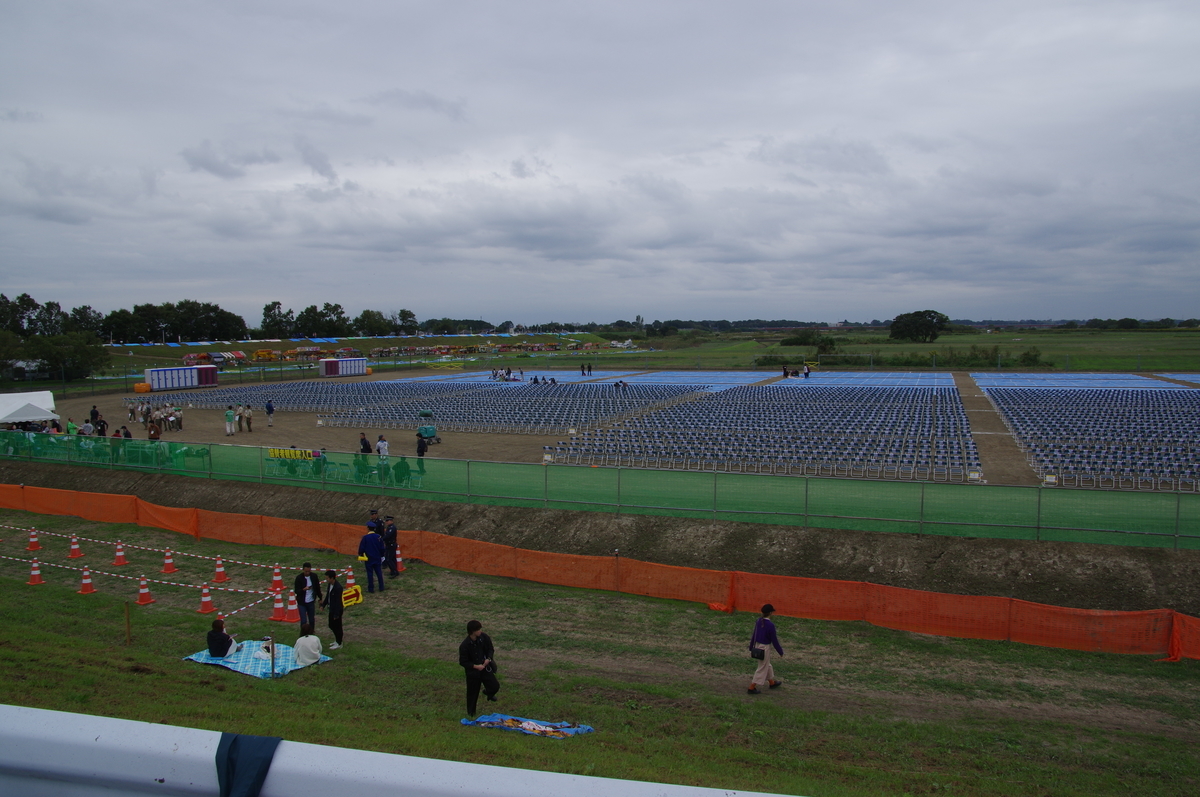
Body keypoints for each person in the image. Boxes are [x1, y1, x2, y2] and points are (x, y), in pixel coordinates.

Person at [458, 619, 499, 717]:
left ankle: (488, 693)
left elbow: (490, 649)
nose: (480, 631)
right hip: (473, 673)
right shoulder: (465, 645)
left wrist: (488, 659)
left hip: (485, 668)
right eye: (477, 630)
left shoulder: (484, 638)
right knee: (472, 694)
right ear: (472, 631)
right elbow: (463, 661)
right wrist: (475, 666)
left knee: (494, 686)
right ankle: (471, 714)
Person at [747, 603, 784, 694]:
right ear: (771, 613)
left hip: (757, 645)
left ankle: (771, 682)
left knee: (767, 664)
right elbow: (774, 640)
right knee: (762, 667)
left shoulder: (759, 621)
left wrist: (751, 646)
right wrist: (780, 651)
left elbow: (754, 634)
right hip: (765, 647)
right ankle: (752, 687)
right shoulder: (770, 625)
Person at [320, 570, 344, 649]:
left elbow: (338, 602)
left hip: (336, 610)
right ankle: (337, 640)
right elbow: (328, 596)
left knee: (337, 626)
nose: (326, 580)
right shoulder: (330, 585)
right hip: (331, 608)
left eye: (327, 578)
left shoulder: (338, 588)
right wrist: (323, 605)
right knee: (331, 625)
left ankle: (339, 642)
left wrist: (336, 614)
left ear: (332, 578)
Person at [358, 524, 386, 593]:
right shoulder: (378, 537)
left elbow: (362, 548)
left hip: (369, 558)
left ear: (368, 528)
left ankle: (371, 588)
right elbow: (382, 548)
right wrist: (382, 555)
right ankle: (381, 587)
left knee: (370, 573)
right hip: (377, 557)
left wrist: (361, 555)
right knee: (379, 572)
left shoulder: (365, 538)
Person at [294, 562, 323, 628]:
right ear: (303, 570)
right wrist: (303, 589)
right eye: (306, 571)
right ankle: (303, 634)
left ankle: (312, 632)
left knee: (312, 620)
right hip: (302, 602)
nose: (307, 573)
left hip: (311, 601)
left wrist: (320, 598)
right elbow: (297, 591)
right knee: (303, 621)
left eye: (308, 571)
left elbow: (317, 588)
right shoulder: (299, 578)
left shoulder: (314, 576)